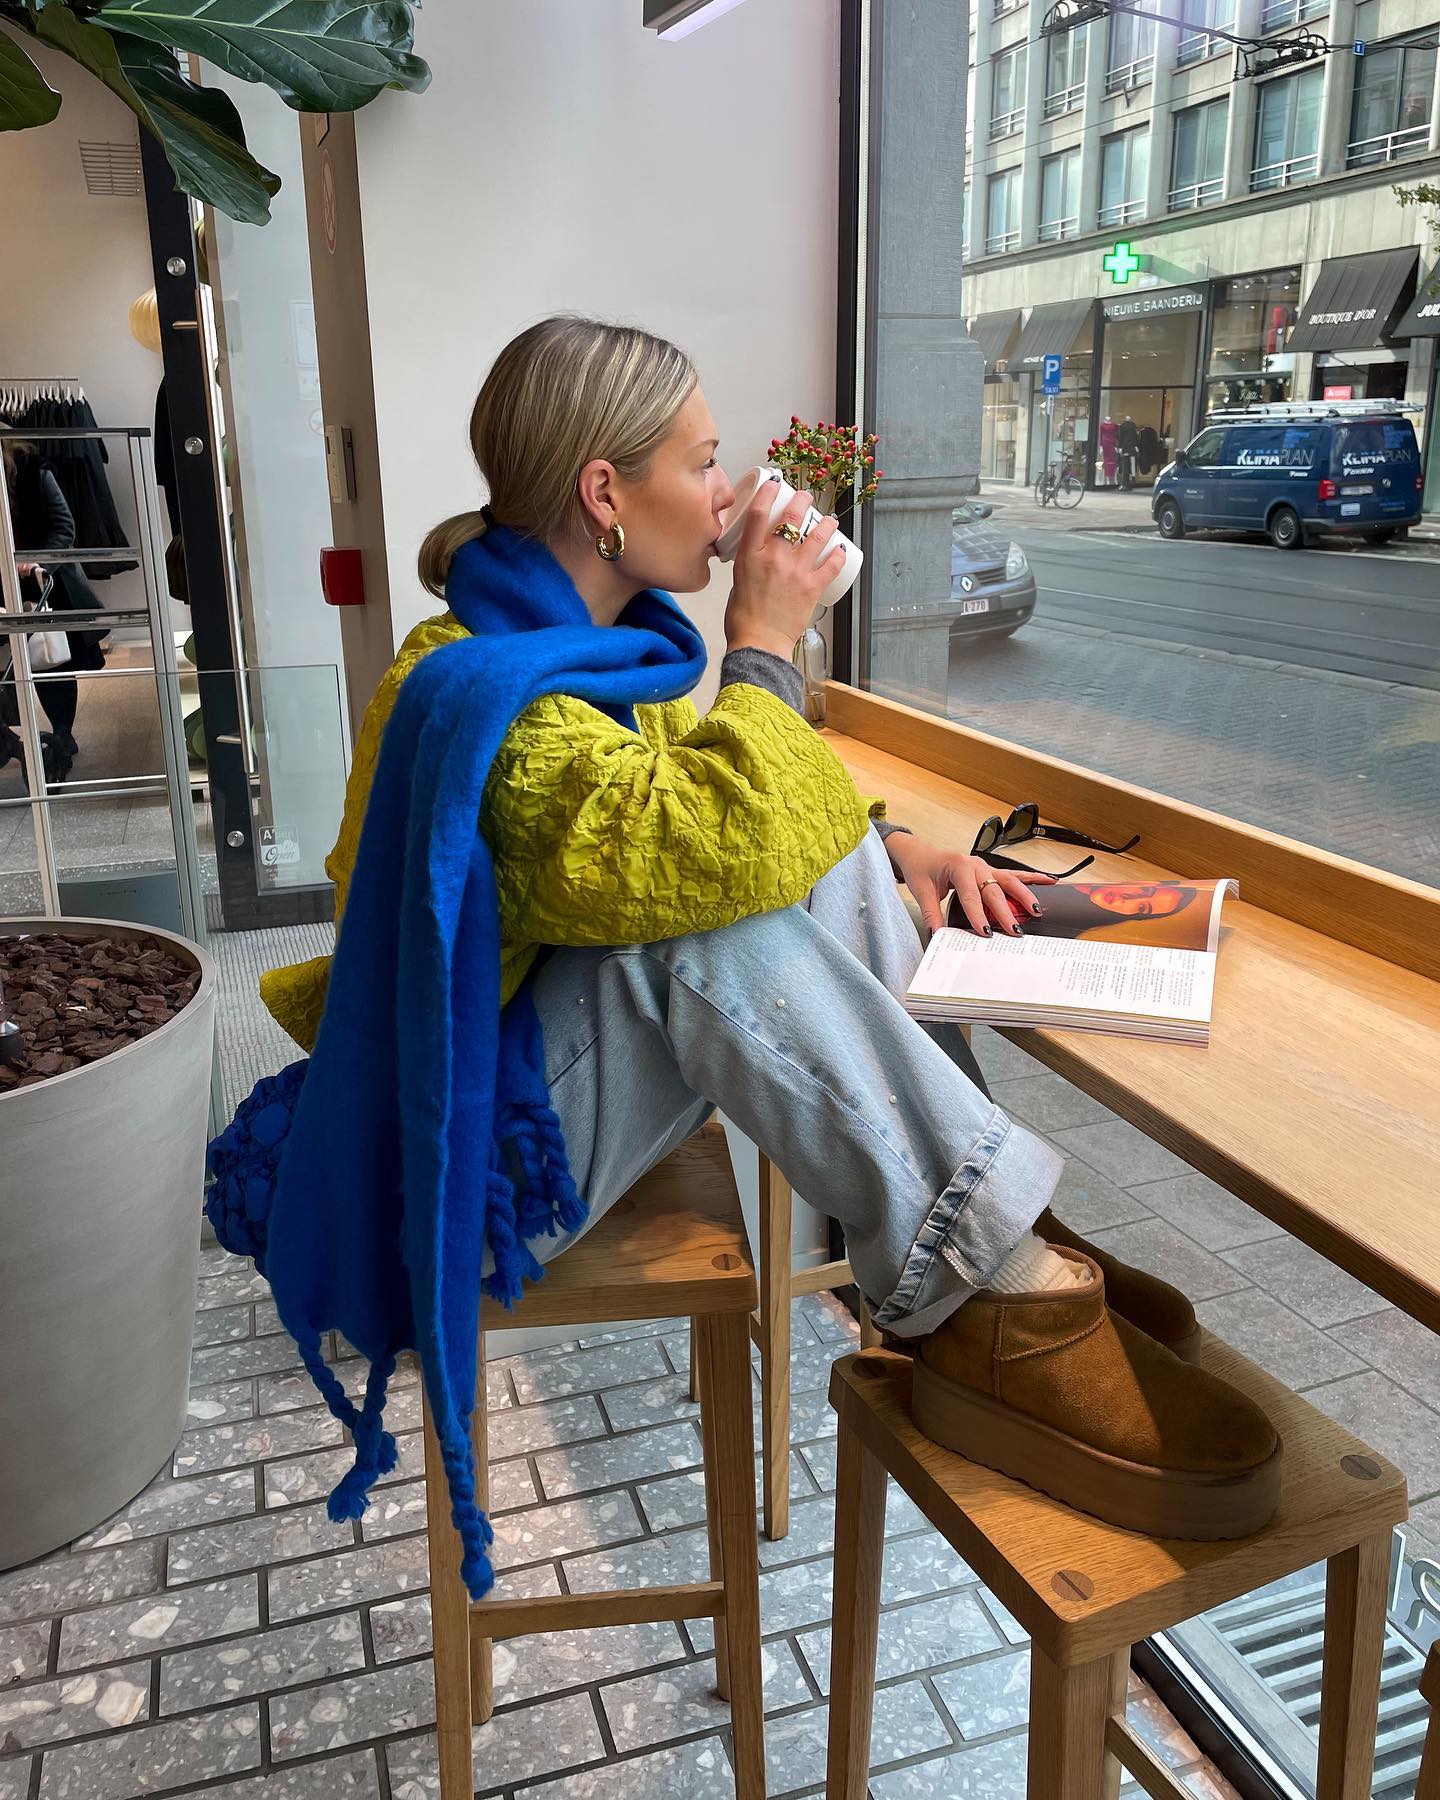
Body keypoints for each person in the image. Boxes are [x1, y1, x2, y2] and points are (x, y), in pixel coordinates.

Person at [255, 317, 1279, 1555]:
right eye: (703, 463)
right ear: (604, 495)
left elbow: (701, 802)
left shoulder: (555, 646)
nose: (729, 492)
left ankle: (984, 1249)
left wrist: (894, 849)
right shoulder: (475, 691)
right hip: (452, 1173)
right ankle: (986, 1278)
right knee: (700, 932)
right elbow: (689, 849)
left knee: (818, 851)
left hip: (525, 1083)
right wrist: (764, 644)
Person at [1, 429, 108, 784]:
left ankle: (62, 734)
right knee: (12, 665)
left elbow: (64, 527)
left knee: (53, 661)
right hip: (2, 583)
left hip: (47, 582)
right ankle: (14, 741)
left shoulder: (34, 470)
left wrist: (36, 561)